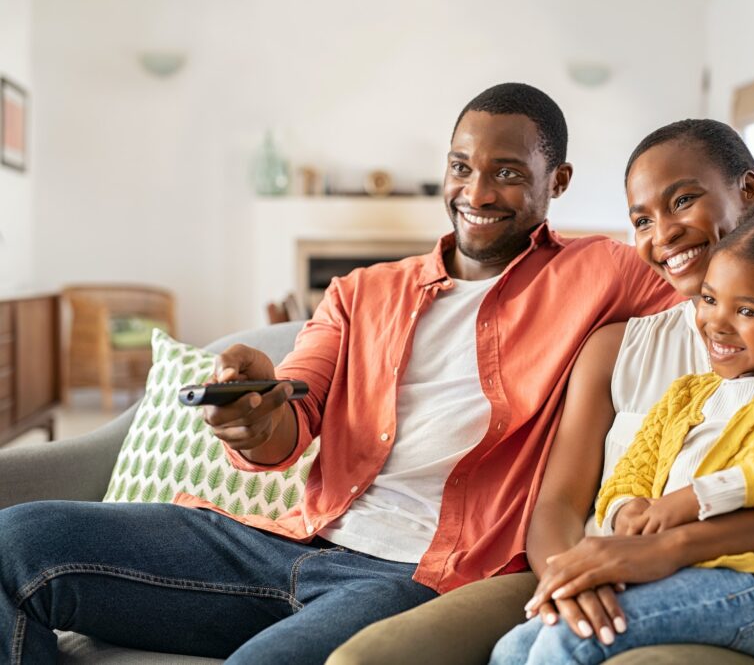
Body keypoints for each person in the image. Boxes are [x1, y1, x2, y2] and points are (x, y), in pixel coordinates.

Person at [0, 83, 679, 665]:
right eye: (460, 166)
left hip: (413, 577)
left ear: (555, 183)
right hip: (285, 543)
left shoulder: (603, 273)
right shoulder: (361, 292)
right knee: (15, 543)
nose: (476, 191)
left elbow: (723, 307)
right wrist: (252, 417)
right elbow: (289, 424)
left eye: (506, 171)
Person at [327, 119, 754, 665]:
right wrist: (577, 574)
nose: (663, 235)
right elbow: (561, 503)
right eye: (640, 219)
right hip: (593, 566)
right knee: (372, 657)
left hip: (735, 586)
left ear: (746, 194)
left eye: (682, 199)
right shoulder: (615, 345)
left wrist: (664, 550)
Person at [491, 202, 754, 663]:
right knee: (514, 646)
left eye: (747, 311)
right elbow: (632, 471)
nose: (716, 322)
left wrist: (695, 499)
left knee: (570, 641)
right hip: (672, 571)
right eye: (709, 298)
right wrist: (626, 511)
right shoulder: (685, 395)